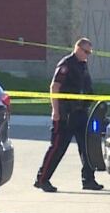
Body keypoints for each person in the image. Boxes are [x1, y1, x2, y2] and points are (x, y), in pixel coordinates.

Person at [34, 37, 104, 192]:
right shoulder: (66, 64)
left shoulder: (82, 65)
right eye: (86, 51)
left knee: (86, 147)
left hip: (81, 113)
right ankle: (42, 179)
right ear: (77, 49)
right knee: (58, 148)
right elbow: (54, 87)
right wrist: (55, 110)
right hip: (66, 114)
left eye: (89, 53)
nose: (87, 55)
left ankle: (88, 179)